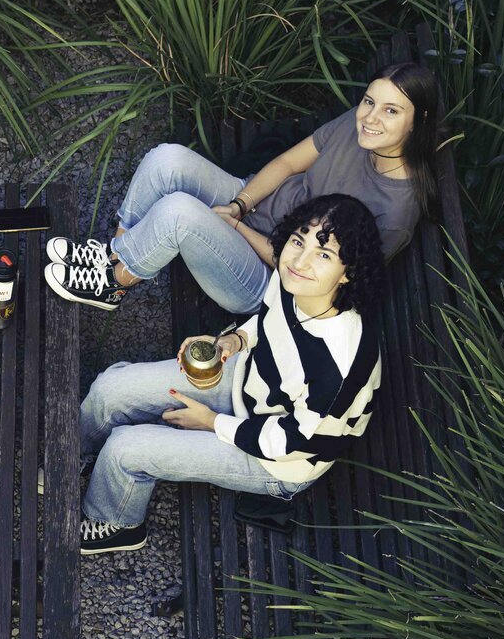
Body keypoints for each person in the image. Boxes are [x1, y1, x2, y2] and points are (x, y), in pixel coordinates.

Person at [77, 194, 383, 553]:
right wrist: (234, 340)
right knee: (110, 388)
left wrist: (211, 422)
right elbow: (268, 320)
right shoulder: (294, 281)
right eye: (299, 241)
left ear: (348, 272)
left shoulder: (340, 365)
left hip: (279, 460)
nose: (300, 260)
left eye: (324, 254)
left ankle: (116, 523)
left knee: (126, 449)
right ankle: (78, 456)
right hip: (247, 382)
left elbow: (290, 442)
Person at [44, 63, 440, 314]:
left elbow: (310, 277)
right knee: (167, 159)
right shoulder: (358, 128)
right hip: (254, 210)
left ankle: (115, 282)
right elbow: (288, 163)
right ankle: (115, 253)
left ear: (418, 121)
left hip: (265, 278)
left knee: (179, 211)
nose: (370, 118)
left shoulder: (395, 210)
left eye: (391, 110)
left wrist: (235, 227)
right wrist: (240, 204)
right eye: (369, 102)